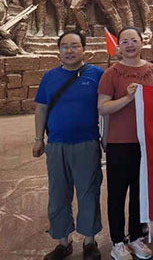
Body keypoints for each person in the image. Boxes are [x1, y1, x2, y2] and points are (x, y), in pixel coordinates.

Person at [33, 31, 104, 260]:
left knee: (88, 192)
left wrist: (106, 137)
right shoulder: (50, 77)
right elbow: (41, 108)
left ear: (84, 49)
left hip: (86, 143)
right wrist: (38, 139)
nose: (70, 50)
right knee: (58, 194)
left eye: (75, 45)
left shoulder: (96, 75)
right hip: (56, 144)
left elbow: (105, 107)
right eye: (65, 46)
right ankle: (63, 242)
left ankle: (89, 241)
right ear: (59, 51)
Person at [98, 27, 153, 260]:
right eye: (124, 41)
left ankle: (136, 237)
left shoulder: (152, 70)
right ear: (119, 47)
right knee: (117, 194)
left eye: (133, 40)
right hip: (119, 142)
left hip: (146, 142)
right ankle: (117, 241)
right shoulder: (111, 73)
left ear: (141, 42)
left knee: (140, 192)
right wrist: (127, 98)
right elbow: (103, 107)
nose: (130, 45)